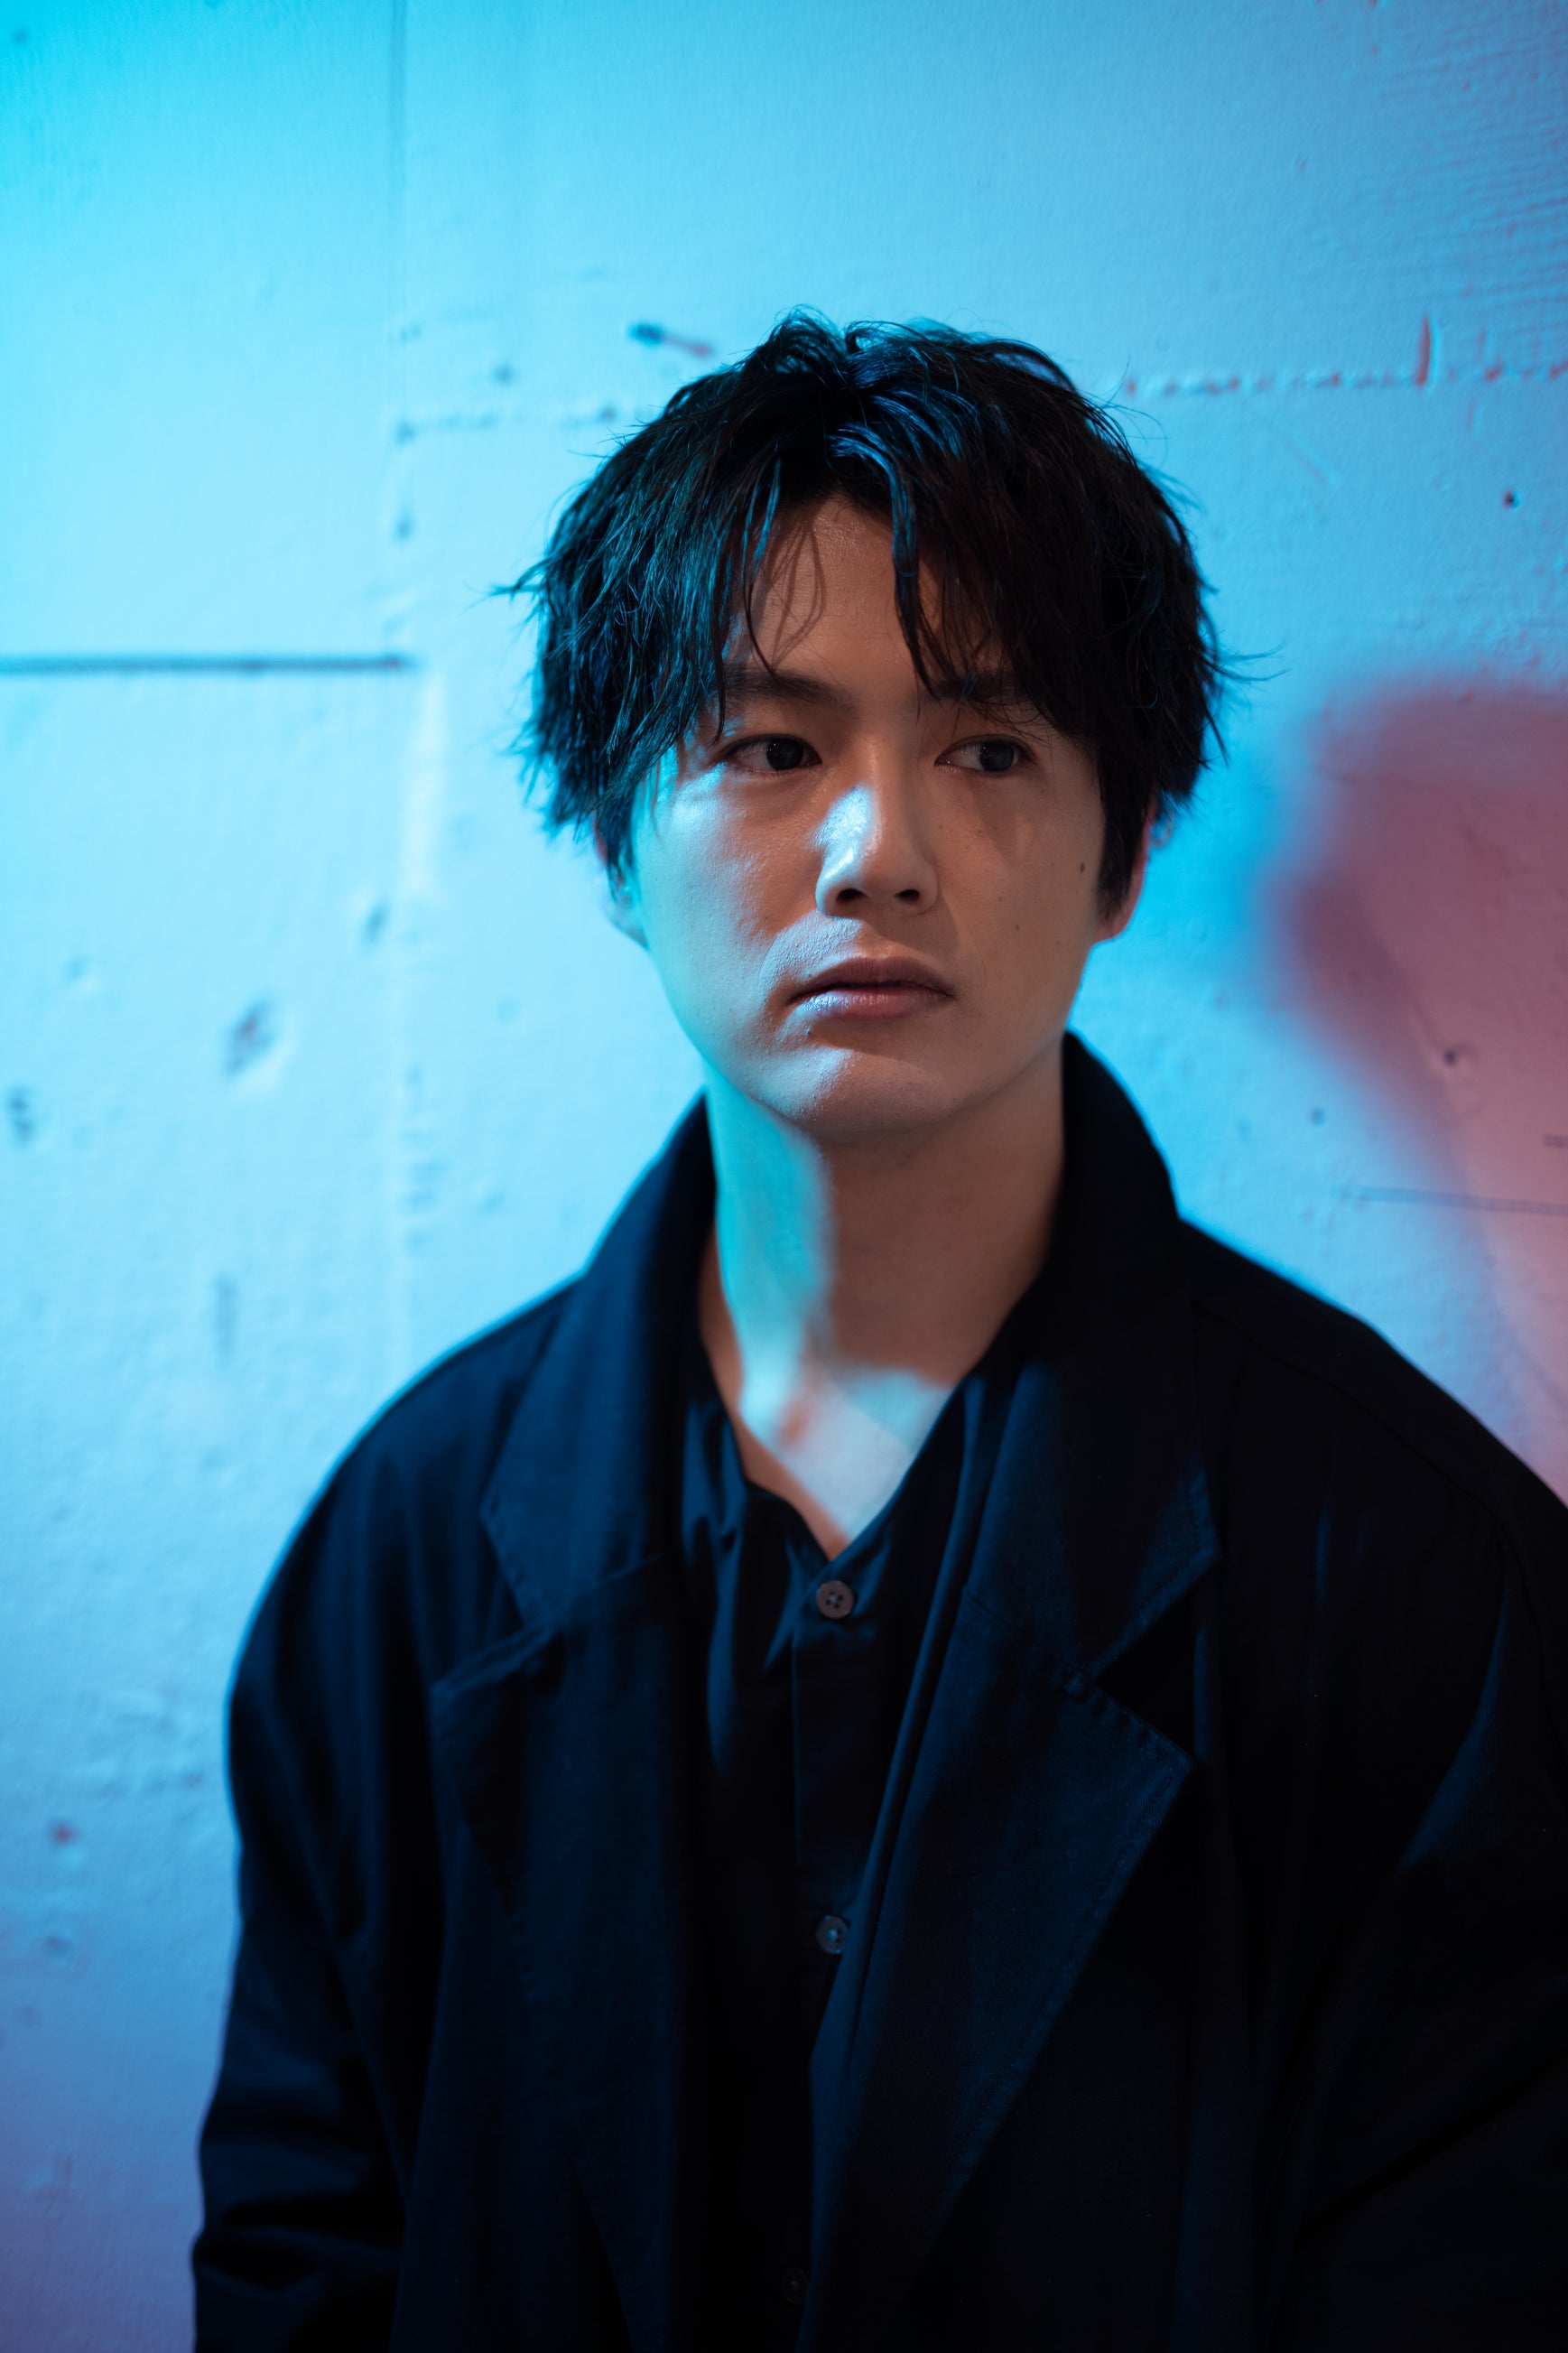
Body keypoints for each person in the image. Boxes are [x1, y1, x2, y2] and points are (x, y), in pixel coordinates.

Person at [193, 314, 1568, 2350]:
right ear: (608, 839)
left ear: (1123, 848)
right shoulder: (399, 1555)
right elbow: (304, 2256)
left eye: (986, 749)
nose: (876, 853)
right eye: (770, 750)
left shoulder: (1420, 1579)